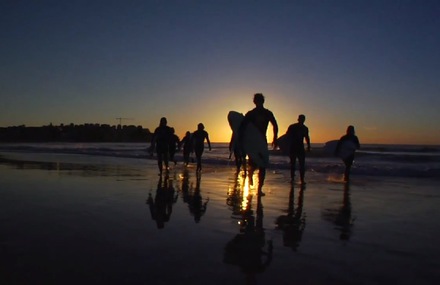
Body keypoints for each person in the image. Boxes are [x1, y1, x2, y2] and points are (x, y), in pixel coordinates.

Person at [239, 93, 278, 193]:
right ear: (255, 102)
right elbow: (242, 127)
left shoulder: (261, 113)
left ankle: (259, 188)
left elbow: (275, 125)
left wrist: (275, 138)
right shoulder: (253, 113)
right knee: (257, 164)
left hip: (259, 141)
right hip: (256, 141)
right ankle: (252, 178)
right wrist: (275, 138)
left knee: (262, 164)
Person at [285, 114, 311, 184]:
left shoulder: (305, 128)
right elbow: (287, 136)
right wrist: (286, 146)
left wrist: (308, 146)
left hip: (300, 147)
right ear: (298, 119)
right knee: (293, 164)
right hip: (293, 147)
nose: (302, 120)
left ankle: (302, 179)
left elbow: (307, 137)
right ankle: (292, 178)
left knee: (301, 164)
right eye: (301, 119)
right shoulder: (292, 127)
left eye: (303, 119)